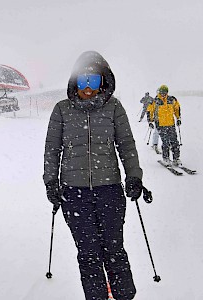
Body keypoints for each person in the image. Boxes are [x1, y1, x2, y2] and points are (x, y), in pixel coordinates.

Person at [43, 51, 143, 300]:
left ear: (104, 81)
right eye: (82, 81)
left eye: (94, 81)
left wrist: (134, 176)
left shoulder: (114, 108)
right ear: (73, 81)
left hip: (109, 189)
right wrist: (51, 182)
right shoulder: (62, 110)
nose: (88, 88)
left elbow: (126, 145)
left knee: (113, 248)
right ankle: (96, 296)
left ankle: (123, 295)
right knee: (87, 251)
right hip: (74, 194)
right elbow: (52, 149)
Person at [147, 85, 181, 165]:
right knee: (165, 142)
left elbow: (177, 109)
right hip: (160, 124)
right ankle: (166, 158)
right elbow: (149, 111)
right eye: (161, 92)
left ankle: (176, 158)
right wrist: (150, 122)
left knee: (174, 141)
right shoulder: (155, 101)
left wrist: (178, 118)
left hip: (171, 124)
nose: (163, 94)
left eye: (164, 92)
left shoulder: (172, 99)